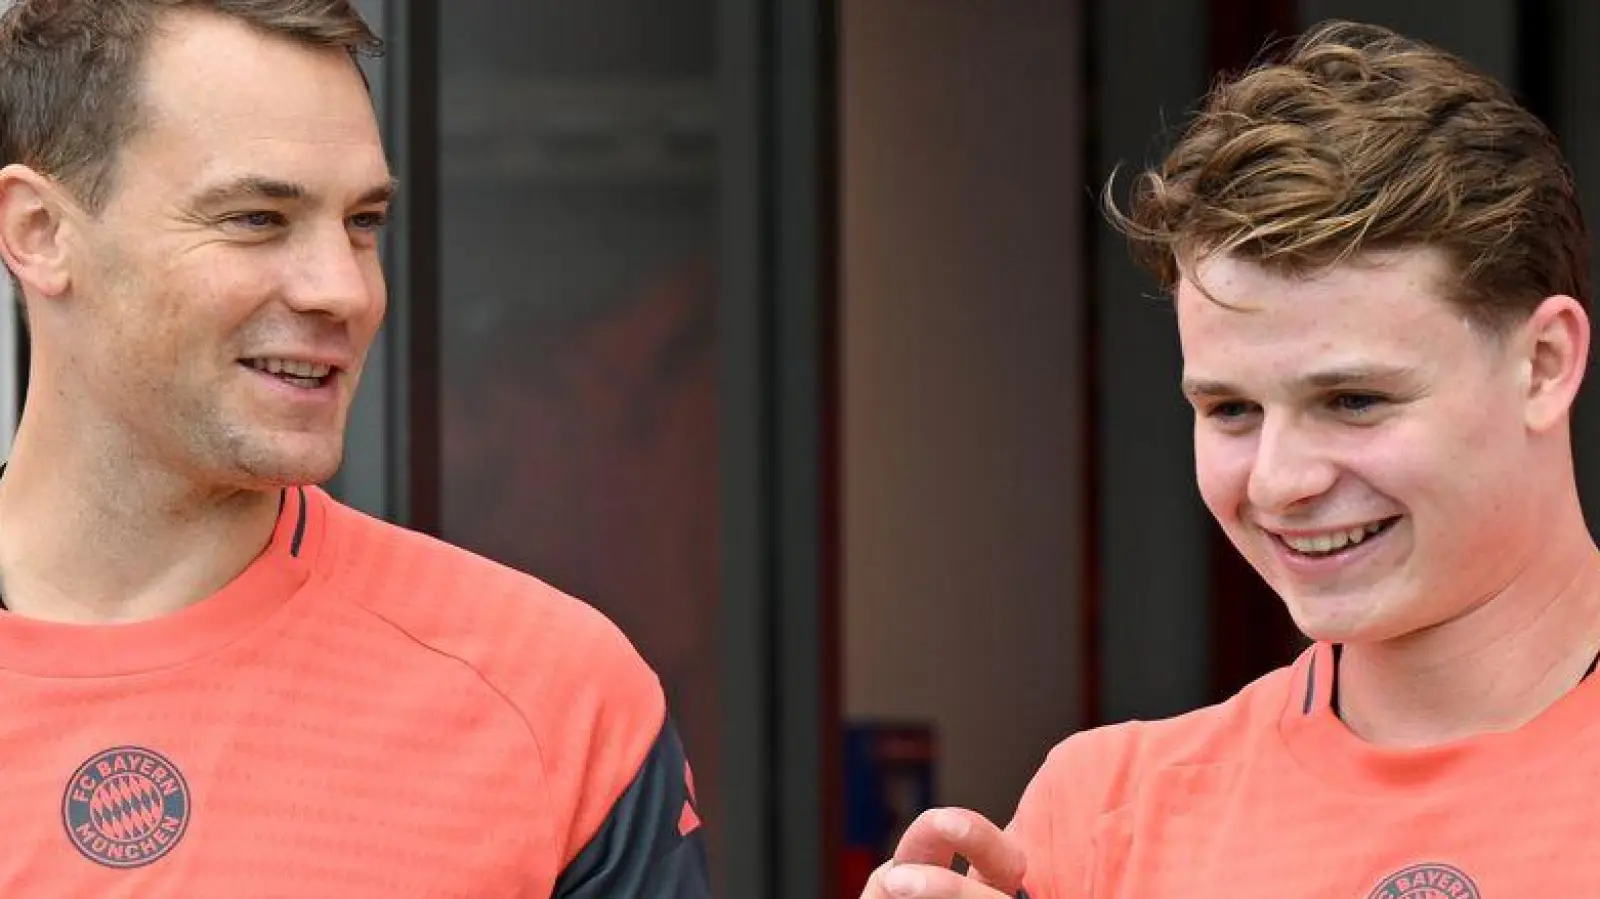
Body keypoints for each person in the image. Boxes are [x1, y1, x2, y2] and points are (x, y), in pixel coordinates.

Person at [862, 19, 1600, 899]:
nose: (1279, 481)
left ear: (1543, 364)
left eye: (1353, 399)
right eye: (1231, 410)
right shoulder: (1105, 814)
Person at [0, 1, 709, 895]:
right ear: (39, 232)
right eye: (257, 218)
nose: (344, 290)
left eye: (363, 221)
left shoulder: (555, 696)